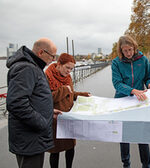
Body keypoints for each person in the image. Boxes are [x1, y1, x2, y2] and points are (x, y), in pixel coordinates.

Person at [6, 38, 57, 168]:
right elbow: (16, 103)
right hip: (29, 138)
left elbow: (35, 98)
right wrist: (42, 122)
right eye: (52, 56)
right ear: (41, 53)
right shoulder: (26, 68)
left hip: (32, 137)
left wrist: (49, 111)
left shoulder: (33, 66)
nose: (53, 60)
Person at [111, 35, 150, 168]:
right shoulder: (116, 63)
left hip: (139, 101)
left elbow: (149, 77)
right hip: (122, 101)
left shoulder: (143, 60)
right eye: (125, 51)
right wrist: (132, 90)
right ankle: (126, 163)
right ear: (121, 51)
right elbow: (117, 83)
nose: (128, 53)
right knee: (124, 135)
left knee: (142, 134)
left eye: (130, 50)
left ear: (134, 48)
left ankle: (146, 165)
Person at [45, 53, 91, 168]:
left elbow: (70, 93)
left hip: (68, 117)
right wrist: (64, 89)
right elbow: (47, 98)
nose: (69, 71)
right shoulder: (47, 76)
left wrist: (82, 95)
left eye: (71, 68)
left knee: (70, 147)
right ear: (59, 64)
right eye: (67, 67)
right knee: (55, 151)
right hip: (55, 119)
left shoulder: (67, 77)